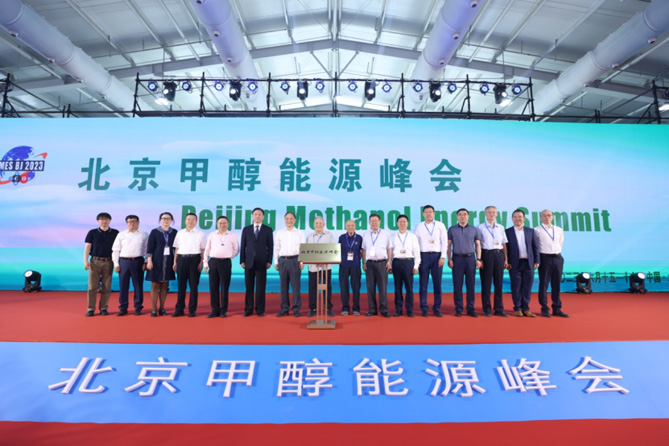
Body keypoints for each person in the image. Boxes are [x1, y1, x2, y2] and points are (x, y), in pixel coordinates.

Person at [447, 208, 482, 317]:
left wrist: (478, 259)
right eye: (460, 214)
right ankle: (458, 308)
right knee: (457, 284)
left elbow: (478, 245)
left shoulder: (474, 229)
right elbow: (448, 245)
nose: (463, 216)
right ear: (457, 217)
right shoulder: (452, 229)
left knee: (471, 284)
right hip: (457, 259)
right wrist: (449, 259)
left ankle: (470, 308)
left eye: (465, 214)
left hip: (470, 259)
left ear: (468, 216)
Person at [534, 209, 569, 318]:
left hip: (557, 258)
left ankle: (557, 308)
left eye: (549, 215)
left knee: (556, 284)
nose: (547, 217)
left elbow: (560, 243)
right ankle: (544, 308)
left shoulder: (558, 230)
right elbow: (535, 246)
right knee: (544, 284)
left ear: (552, 217)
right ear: (540, 217)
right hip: (544, 258)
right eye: (544, 215)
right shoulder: (536, 230)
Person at [111, 215, 148, 316]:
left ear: (138, 222)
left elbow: (147, 250)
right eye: (129, 222)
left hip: (138, 261)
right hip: (124, 262)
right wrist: (116, 264)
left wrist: (145, 262)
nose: (132, 223)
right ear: (126, 223)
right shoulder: (121, 235)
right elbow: (115, 250)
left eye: (134, 221)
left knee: (138, 286)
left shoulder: (144, 234)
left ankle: (138, 307)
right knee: (123, 286)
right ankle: (123, 307)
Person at [414, 205, 448, 317]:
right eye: (426, 212)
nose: (428, 214)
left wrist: (443, 257)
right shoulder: (419, 226)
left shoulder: (440, 225)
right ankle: (424, 308)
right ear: (423, 214)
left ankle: (437, 308)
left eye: (430, 212)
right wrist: (418, 259)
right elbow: (416, 244)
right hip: (423, 256)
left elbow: (444, 242)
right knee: (423, 284)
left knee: (437, 284)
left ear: (434, 213)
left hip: (437, 256)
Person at [505, 209, 540, 318]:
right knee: (516, 286)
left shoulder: (530, 231)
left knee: (527, 287)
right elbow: (505, 249)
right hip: (514, 263)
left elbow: (535, 247)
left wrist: (537, 260)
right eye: (515, 216)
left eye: (520, 216)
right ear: (512, 219)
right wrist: (507, 261)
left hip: (528, 263)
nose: (518, 219)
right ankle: (517, 308)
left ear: (524, 218)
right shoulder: (507, 232)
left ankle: (526, 308)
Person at [83, 212, 119, 317]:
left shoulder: (115, 232)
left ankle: (103, 308)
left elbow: (118, 249)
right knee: (92, 287)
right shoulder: (92, 232)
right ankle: (90, 309)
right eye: (102, 219)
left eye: (106, 219)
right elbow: (87, 247)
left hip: (109, 262)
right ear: (98, 221)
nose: (104, 221)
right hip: (95, 261)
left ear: (110, 220)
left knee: (106, 287)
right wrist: (85, 261)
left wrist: (117, 263)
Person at [240, 207, 273, 317]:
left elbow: (270, 246)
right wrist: (242, 260)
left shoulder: (268, 229)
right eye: (255, 214)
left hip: (262, 262)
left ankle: (260, 309)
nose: (257, 216)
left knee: (260, 287)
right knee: (248, 287)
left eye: (259, 214)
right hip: (248, 262)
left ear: (263, 217)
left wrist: (269, 261)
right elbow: (243, 245)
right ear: (252, 216)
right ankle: (248, 309)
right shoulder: (246, 229)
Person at [204, 216, 239, 318]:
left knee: (224, 286)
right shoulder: (212, 235)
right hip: (213, 262)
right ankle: (214, 310)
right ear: (217, 224)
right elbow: (207, 249)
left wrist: (229, 256)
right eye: (220, 223)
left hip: (225, 263)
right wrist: (205, 263)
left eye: (224, 223)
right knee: (213, 287)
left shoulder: (232, 235)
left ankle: (223, 310)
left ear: (228, 224)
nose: (222, 225)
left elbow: (236, 249)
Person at [171, 213, 205, 317]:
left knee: (194, 286)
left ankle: (192, 309)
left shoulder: (201, 234)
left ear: (196, 221)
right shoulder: (180, 233)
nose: (190, 221)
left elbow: (203, 250)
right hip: (181, 259)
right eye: (188, 219)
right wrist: (175, 261)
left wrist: (201, 262)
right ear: (185, 221)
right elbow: (176, 248)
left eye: (193, 219)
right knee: (181, 286)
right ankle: (179, 309)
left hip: (195, 260)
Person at [477, 206, 509, 317]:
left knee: (498, 283)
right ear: (485, 214)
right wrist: (479, 259)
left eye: (494, 212)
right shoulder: (480, 227)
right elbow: (478, 245)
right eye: (489, 212)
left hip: (499, 255)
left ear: (496, 214)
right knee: (486, 283)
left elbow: (504, 244)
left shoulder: (501, 227)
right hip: (487, 255)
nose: (491, 214)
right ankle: (486, 309)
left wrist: (506, 259)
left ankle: (499, 309)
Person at [145, 212, 177, 317]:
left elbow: (176, 248)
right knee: (155, 285)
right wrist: (149, 261)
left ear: (171, 220)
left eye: (168, 218)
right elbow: (150, 248)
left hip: (169, 261)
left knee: (164, 285)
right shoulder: (154, 232)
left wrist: (175, 261)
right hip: (156, 261)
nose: (166, 220)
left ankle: (162, 308)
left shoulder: (174, 232)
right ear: (160, 220)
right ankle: (154, 309)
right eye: (163, 218)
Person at [273, 212, 305, 317]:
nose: (289, 220)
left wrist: (302, 261)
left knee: (296, 287)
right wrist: (276, 261)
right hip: (283, 261)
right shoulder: (280, 233)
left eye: (291, 218)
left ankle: (296, 309)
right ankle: (284, 309)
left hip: (295, 260)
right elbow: (276, 247)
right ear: (284, 220)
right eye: (287, 218)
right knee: (283, 287)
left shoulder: (299, 233)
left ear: (295, 220)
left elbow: (303, 248)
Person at [361, 213, 392, 318]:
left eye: (376, 220)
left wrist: (389, 261)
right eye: (372, 221)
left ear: (380, 222)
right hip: (370, 264)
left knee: (382, 287)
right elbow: (364, 250)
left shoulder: (385, 233)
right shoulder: (365, 234)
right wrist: (363, 262)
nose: (374, 223)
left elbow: (389, 248)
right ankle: (372, 309)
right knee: (370, 288)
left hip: (382, 263)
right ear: (369, 223)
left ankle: (384, 310)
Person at [391, 214, 421, 317]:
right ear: (397, 223)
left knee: (409, 287)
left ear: (407, 223)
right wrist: (389, 265)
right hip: (396, 262)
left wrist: (416, 265)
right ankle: (398, 309)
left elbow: (416, 251)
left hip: (408, 262)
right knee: (397, 287)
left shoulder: (412, 236)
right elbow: (389, 252)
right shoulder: (392, 236)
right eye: (400, 221)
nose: (402, 223)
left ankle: (409, 309)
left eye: (404, 221)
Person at [307, 216, 335, 317]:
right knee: (312, 287)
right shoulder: (310, 236)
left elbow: (332, 250)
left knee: (326, 287)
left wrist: (322, 261)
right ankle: (313, 308)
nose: (318, 225)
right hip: (313, 267)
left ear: (324, 225)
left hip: (326, 266)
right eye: (316, 223)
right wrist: (315, 261)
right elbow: (307, 251)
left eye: (320, 223)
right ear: (313, 225)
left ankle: (328, 308)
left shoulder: (329, 235)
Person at [338, 220, 363, 316]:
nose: (350, 227)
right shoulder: (341, 238)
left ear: (355, 227)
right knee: (344, 287)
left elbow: (362, 251)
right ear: (345, 227)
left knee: (356, 288)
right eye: (348, 225)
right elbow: (337, 251)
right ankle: (345, 308)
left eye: (352, 225)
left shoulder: (359, 238)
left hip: (355, 265)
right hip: (343, 265)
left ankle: (356, 308)